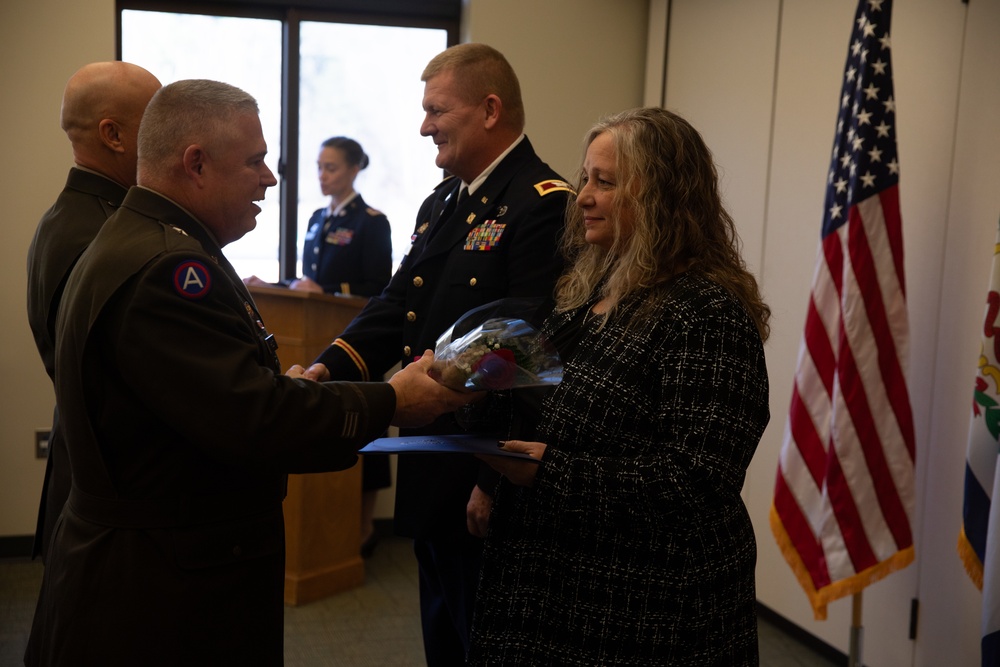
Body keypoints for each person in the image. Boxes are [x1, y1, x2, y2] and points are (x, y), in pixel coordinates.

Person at [24, 79, 472, 667]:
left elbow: (217, 401)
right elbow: (257, 421)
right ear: (196, 164)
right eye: (257, 161)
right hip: (164, 592)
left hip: (157, 567)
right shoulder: (168, 269)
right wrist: (391, 401)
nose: (271, 178)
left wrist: (276, 390)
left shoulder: (146, 240)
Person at [467, 107, 772, 665]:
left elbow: (699, 480)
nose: (581, 196)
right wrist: (464, 383)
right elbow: (531, 396)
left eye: (604, 182)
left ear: (662, 197)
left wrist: (550, 470)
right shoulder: (590, 291)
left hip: (646, 607)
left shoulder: (707, 314)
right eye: (586, 178)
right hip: (554, 582)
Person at [309, 43, 574, 664]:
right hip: (431, 453)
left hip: (485, 467)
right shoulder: (443, 202)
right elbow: (399, 300)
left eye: (436, 110)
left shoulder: (542, 202)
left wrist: (491, 479)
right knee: (442, 632)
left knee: (484, 636)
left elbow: (529, 347)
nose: (423, 125)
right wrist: (333, 364)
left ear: (489, 109)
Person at [25, 61, 162, 562]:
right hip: (117, 493)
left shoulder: (73, 215)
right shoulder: (105, 234)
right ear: (114, 134)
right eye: (157, 119)